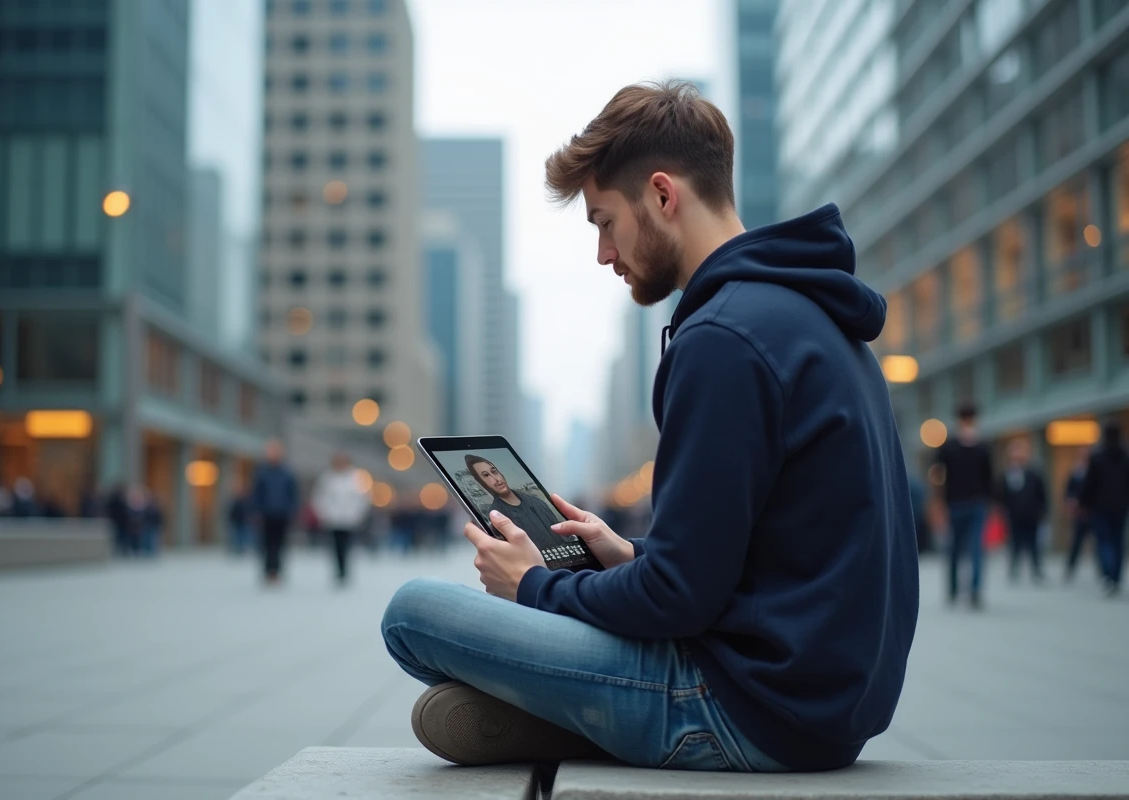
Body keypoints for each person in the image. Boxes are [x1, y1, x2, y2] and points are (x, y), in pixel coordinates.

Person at [380, 81, 918, 772]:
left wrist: (531, 586)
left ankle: (588, 721)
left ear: (663, 195)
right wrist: (627, 554)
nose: (604, 254)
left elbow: (678, 601)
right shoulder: (808, 316)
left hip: (744, 707)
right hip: (826, 706)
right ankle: (582, 717)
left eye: (604, 221)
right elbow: (751, 563)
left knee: (413, 612)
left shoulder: (724, 338)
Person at [935, 403, 993, 609]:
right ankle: (958, 589)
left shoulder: (979, 447)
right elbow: (939, 476)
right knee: (957, 548)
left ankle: (972, 590)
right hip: (959, 504)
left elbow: (989, 478)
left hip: (972, 503)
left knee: (973, 547)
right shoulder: (951, 447)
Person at [464, 456, 576, 553]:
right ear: (480, 482)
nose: (496, 479)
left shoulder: (536, 501)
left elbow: (561, 532)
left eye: (494, 471)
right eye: (486, 475)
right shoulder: (496, 516)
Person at [1079, 422, 1129, 597]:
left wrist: (1083, 503)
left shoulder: (1098, 457)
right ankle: (1115, 578)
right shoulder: (1125, 456)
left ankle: (1107, 575)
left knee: (1104, 542)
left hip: (1100, 508)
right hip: (1120, 507)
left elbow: (1089, 484)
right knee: (1117, 542)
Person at [311, 453, 371, 586]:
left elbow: (362, 499)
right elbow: (320, 498)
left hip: (350, 519)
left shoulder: (356, 478)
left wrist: (357, 514)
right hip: (333, 519)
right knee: (336, 546)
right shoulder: (327, 478)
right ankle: (339, 570)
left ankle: (345, 570)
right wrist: (324, 514)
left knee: (347, 546)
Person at [996, 439, 1047, 584]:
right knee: (1014, 543)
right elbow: (1000, 494)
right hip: (1013, 515)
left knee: (1034, 544)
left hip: (1032, 514)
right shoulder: (1007, 474)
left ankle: (1036, 569)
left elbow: (1041, 493)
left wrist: (1042, 510)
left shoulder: (1034, 473)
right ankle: (1014, 568)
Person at [251, 439, 299, 584]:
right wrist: (256, 510)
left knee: (279, 544)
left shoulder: (287, 473)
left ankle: (276, 570)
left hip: (282, 514)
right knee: (266, 543)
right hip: (266, 513)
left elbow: (293, 494)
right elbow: (257, 494)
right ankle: (268, 570)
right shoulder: (262, 472)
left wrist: (292, 510)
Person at [1064, 448, 1092, 582]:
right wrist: (1071, 502)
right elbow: (1069, 490)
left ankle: (1106, 572)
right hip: (1080, 513)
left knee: (1100, 542)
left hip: (1093, 512)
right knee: (1076, 542)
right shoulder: (1077, 471)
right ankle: (1070, 568)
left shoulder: (1095, 469)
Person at [227, 484, 254, 555]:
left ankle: (243, 548)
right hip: (237, 522)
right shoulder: (237, 503)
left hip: (244, 522)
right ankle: (239, 548)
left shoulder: (246, 503)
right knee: (238, 536)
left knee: (244, 535)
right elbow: (232, 512)